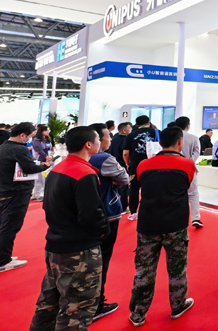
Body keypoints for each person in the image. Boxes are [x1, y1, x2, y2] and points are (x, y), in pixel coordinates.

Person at [29, 126, 109, 331]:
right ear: (88, 144)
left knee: (48, 305)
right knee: (77, 310)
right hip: (79, 250)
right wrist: (103, 231)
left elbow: (48, 206)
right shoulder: (84, 173)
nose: (102, 141)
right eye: (98, 139)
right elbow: (91, 215)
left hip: (56, 244)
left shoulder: (58, 169)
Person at [128, 126, 196, 326]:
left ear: (160, 143)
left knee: (144, 271)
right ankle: (178, 305)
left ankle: (138, 313)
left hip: (148, 224)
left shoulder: (143, 165)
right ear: (180, 142)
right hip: (175, 224)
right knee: (177, 269)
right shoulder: (188, 165)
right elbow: (187, 186)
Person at [0, 122, 52, 273]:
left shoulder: (2, 147)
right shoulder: (18, 149)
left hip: (4, 191)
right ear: (23, 135)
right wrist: (46, 165)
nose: (30, 139)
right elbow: (30, 168)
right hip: (17, 192)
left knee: (1, 226)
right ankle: (1, 261)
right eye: (30, 136)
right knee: (9, 227)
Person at [87, 123, 129, 321]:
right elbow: (124, 178)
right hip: (107, 213)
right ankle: (96, 304)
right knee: (102, 259)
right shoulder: (104, 158)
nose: (110, 140)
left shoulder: (78, 159)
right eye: (106, 136)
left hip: (85, 215)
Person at [123, 115, 158, 221]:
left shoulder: (130, 135)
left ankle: (133, 212)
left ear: (137, 125)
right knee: (152, 188)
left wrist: (128, 164)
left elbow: (125, 153)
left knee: (134, 189)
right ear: (148, 122)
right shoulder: (156, 132)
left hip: (136, 165)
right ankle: (151, 211)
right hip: (153, 165)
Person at [175, 116, 203, 229]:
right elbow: (197, 152)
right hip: (190, 168)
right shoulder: (194, 138)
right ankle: (195, 218)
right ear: (188, 125)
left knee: (176, 193)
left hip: (175, 168)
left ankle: (178, 217)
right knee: (193, 194)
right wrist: (190, 162)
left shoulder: (173, 137)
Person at [31, 124, 52, 202]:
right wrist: (46, 156)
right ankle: (38, 194)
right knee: (39, 178)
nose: (48, 132)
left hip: (47, 160)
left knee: (43, 178)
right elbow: (39, 150)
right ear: (41, 131)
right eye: (46, 130)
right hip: (39, 161)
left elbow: (50, 149)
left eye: (48, 130)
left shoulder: (47, 139)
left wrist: (51, 155)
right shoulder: (36, 140)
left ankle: (37, 193)